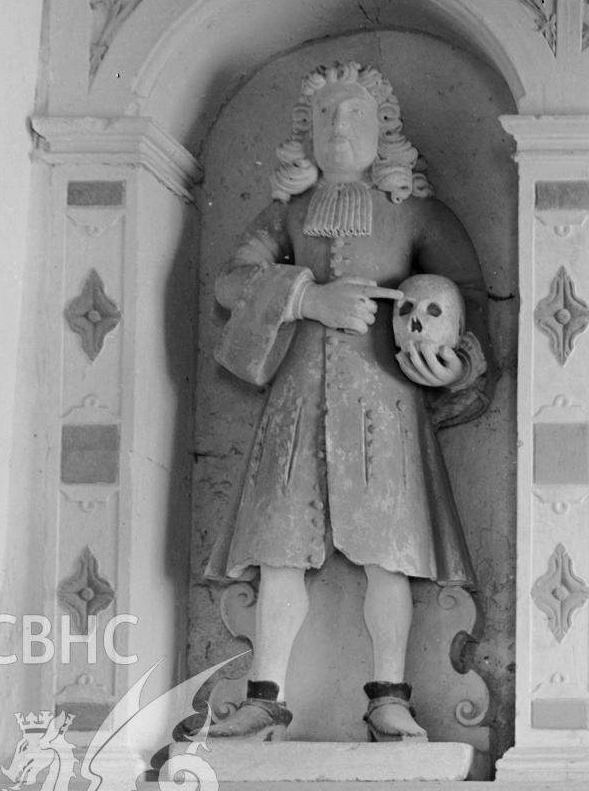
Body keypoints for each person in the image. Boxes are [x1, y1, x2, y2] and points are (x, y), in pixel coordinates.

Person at [204, 61, 489, 742]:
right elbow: (229, 282)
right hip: (296, 404)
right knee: (279, 550)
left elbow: (469, 302)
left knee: (387, 552)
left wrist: (456, 363)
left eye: (355, 113)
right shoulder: (289, 213)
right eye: (327, 114)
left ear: (383, 129)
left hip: (384, 406)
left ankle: (389, 695)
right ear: (306, 131)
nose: (340, 127)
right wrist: (307, 297)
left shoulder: (412, 211)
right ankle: (264, 695)